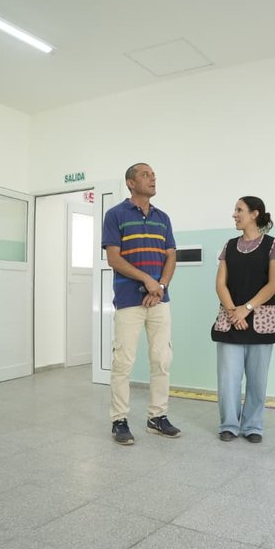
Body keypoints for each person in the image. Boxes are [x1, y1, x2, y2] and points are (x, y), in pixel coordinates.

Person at [101, 162, 180, 445]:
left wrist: (159, 286)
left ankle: (157, 417)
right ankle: (119, 419)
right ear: (131, 183)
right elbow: (114, 258)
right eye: (146, 175)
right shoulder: (115, 215)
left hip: (159, 299)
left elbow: (170, 256)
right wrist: (146, 279)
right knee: (123, 361)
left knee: (162, 360)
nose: (152, 179)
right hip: (128, 300)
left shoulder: (163, 217)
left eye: (154, 175)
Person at [211, 196, 275, 443]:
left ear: (255, 214)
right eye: (234, 210)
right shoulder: (229, 246)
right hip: (231, 318)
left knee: (257, 379)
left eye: (239, 210)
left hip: (261, 320)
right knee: (228, 379)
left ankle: (253, 426)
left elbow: (274, 283)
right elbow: (220, 283)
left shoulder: (272, 245)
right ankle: (229, 424)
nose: (234, 214)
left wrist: (248, 308)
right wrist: (234, 311)